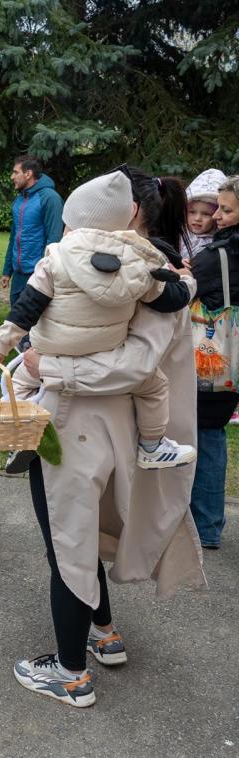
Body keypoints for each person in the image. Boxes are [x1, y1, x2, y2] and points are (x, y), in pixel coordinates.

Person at [9, 167, 205, 709]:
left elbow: (138, 364)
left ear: (132, 213)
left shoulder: (147, 274)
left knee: (68, 543)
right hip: (101, 426)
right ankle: (103, 630)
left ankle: (70, 674)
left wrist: (48, 367)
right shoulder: (133, 268)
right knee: (83, 533)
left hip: (82, 426)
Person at [0, 170, 197, 470]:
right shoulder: (139, 263)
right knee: (154, 386)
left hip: (51, 352)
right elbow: (169, 299)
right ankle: (152, 445)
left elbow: (26, 307)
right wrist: (188, 283)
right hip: (103, 349)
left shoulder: (55, 258)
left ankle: (20, 434)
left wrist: (0, 345)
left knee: (19, 379)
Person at [189, 174, 239, 548]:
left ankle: (204, 525)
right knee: (214, 431)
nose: (216, 216)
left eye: (226, 210)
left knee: (206, 434)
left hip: (215, 360)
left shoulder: (216, 257)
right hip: (233, 363)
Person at [2, 154, 63, 306]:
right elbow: (13, 237)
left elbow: (54, 240)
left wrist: (42, 274)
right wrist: (7, 271)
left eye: (16, 172)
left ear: (28, 174)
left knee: (34, 320)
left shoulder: (50, 199)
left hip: (37, 276)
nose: (12, 177)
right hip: (18, 275)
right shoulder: (19, 199)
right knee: (16, 317)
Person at [181, 169, 226, 259]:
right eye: (192, 212)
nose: (197, 218)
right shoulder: (177, 235)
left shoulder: (220, 241)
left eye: (206, 214)